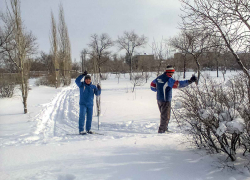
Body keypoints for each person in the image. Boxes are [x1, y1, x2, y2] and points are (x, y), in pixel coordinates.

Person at [151, 65, 197, 133]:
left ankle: (164, 129)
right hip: (165, 100)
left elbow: (152, 86)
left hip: (159, 99)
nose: (173, 74)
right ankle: (162, 131)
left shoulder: (159, 78)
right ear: (170, 72)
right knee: (166, 116)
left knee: (163, 115)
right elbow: (178, 84)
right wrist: (190, 81)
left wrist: (158, 90)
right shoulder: (168, 79)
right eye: (173, 72)